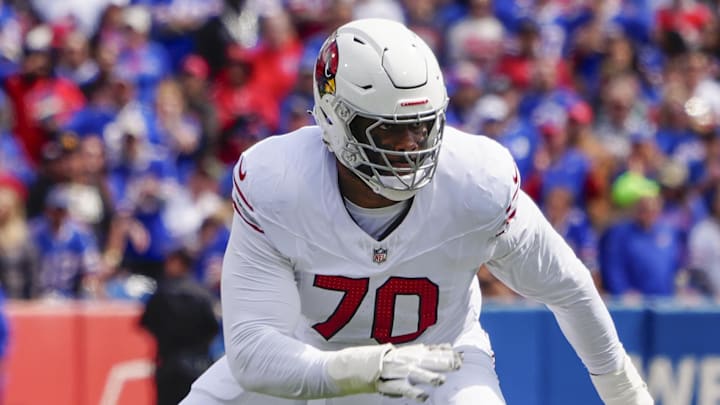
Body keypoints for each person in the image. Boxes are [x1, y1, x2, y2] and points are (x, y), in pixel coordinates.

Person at [181, 19, 653, 405]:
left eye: (423, 127)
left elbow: (567, 286)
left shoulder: (474, 181)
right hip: (306, 360)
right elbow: (252, 353)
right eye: (388, 131)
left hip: (438, 365)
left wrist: (626, 395)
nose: (411, 146)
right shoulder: (279, 182)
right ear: (335, 118)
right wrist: (365, 369)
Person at [140, 247, 220, 405]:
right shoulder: (203, 294)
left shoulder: (162, 293)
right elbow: (213, 328)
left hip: (168, 365)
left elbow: (147, 323)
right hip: (198, 366)